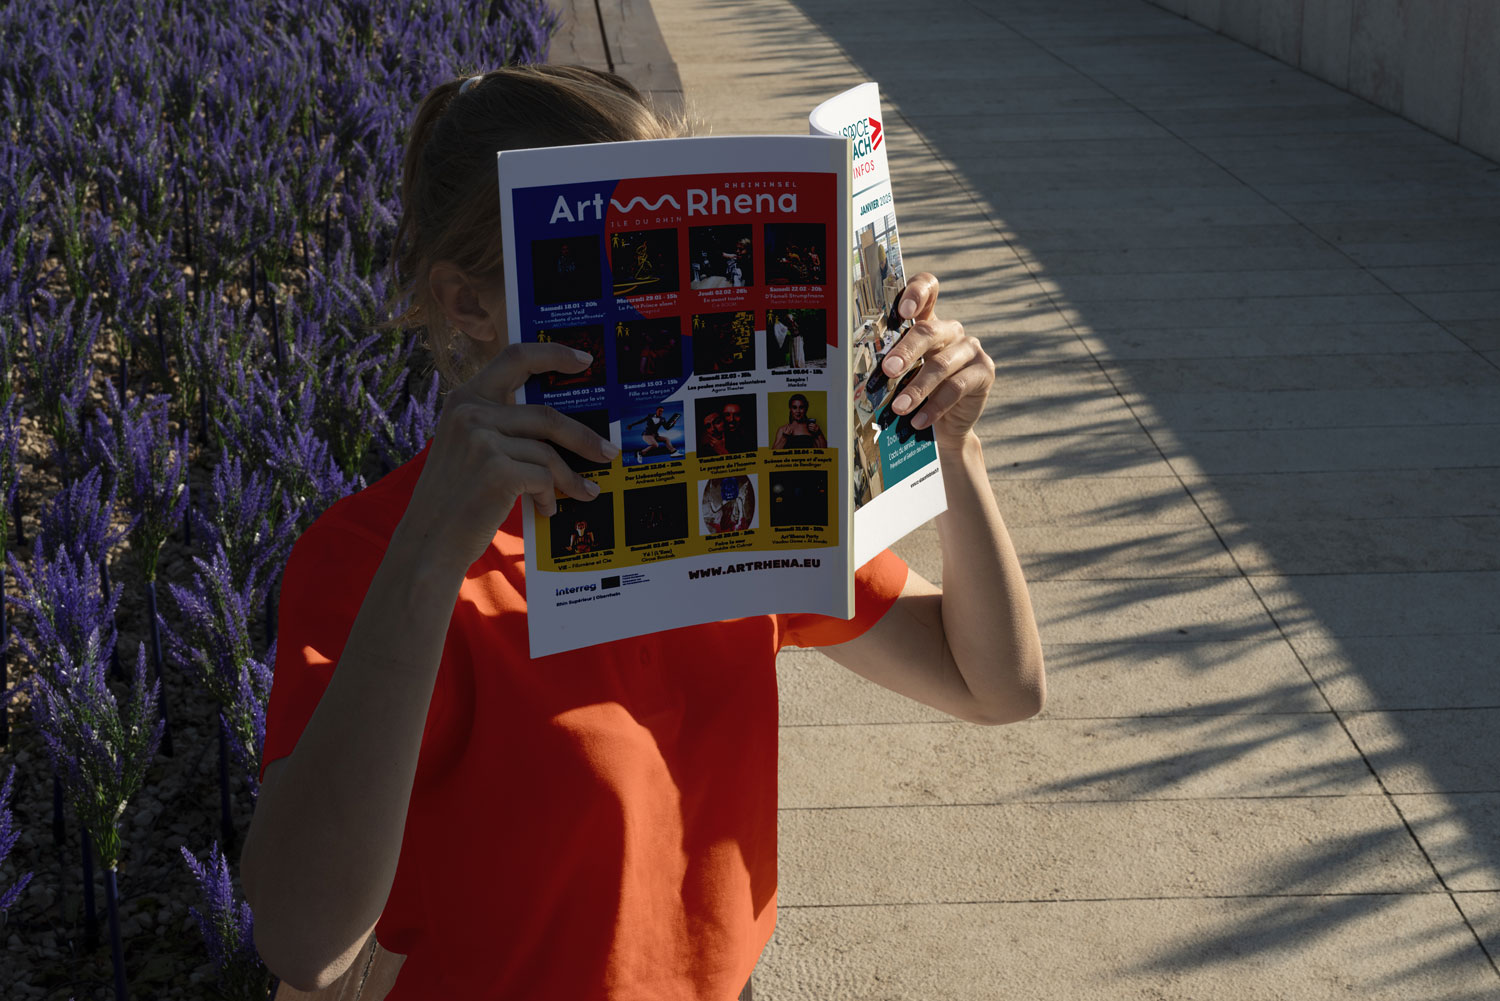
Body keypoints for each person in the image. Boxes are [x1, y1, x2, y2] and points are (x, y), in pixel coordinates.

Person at [240, 65, 1043, 1001]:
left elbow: (996, 683)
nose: (669, 302)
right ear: (467, 304)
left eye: (687, 254)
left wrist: (953, 444)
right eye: (616, 260)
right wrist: (427, 561)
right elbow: (302, 940)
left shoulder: (738, 485)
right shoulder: (373, 555)